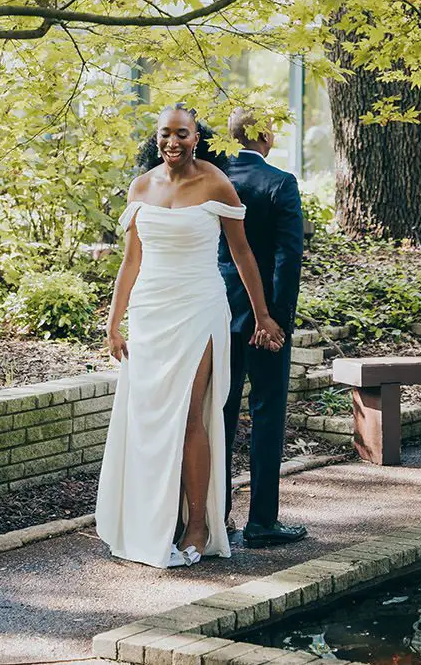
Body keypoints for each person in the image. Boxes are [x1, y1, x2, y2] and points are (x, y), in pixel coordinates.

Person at [96, 105, 285, 569]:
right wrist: (113, 320)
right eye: (165, 134)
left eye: (182, 134)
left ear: (197, 137)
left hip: (199, 307)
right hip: (150, 311)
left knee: (189, 416)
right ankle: (149, 522)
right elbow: (131, 261)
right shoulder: (141, 187)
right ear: (157, 138)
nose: (172, 142)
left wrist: (263, 316)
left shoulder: (217, 183)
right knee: (148, 418)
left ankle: (198, 523)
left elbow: (242, 255)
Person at [219, 108, 309, 548]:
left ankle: (216, 517)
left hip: (216, 310)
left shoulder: (212, 177)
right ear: (265, 138)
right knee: (268, 412)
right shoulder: (280, 183)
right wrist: (275, 320)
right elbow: (287, 258)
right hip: (263, 317)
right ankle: (262, 522)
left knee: (220, 411)